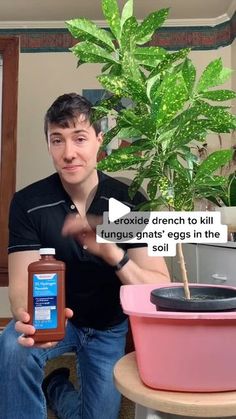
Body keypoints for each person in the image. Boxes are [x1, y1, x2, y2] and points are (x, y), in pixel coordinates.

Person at [0, 93, 170, 419]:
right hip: (57, 321)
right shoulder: (28, 203)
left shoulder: (129, 202)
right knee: (12, 344)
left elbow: (159, 285)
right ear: (48, 145)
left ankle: (56, 388)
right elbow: (21, 286)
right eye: (57, 141)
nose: (69, 153)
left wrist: (113, 253)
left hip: (107, 327)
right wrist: (30, 318)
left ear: (98, 140)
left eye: (79, 138)